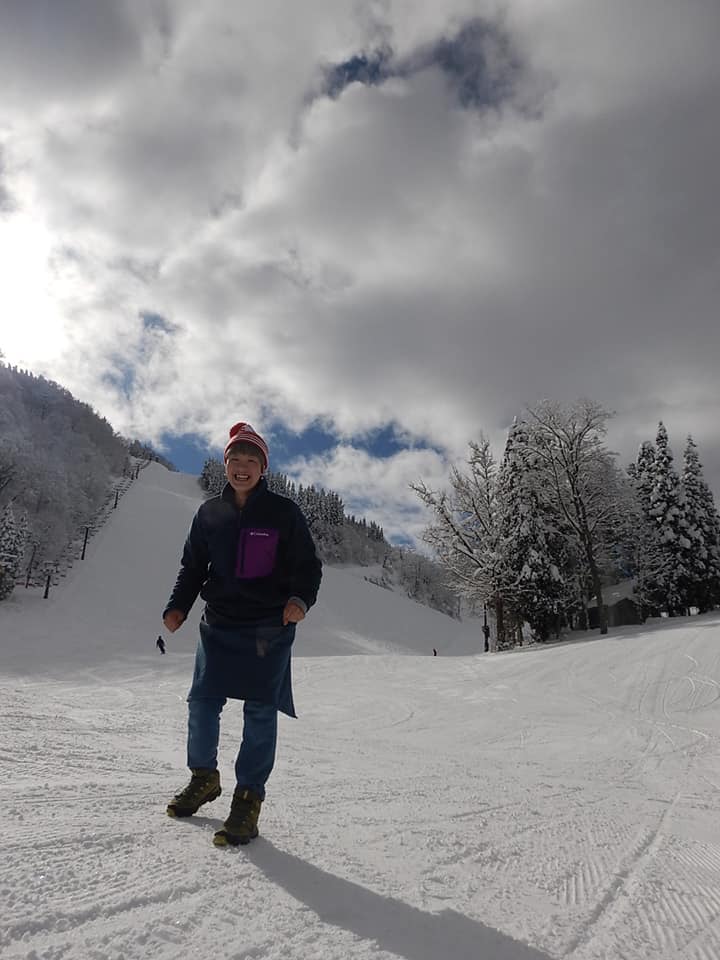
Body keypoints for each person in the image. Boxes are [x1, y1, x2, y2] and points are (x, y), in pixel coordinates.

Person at [162, 421, 322, 846]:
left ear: (263, 468)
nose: (243, 467)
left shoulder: (283, 512)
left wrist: (300, 600)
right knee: (202, 703)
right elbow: (192, 567)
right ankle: (203, 777)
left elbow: (308, 566)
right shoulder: (208, 514)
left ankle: (248, 798)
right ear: (226, 463)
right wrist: (178, 605)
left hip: (269, 626)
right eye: (236, 459)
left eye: (252, 460)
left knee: (260, 710)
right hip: (218, 623)